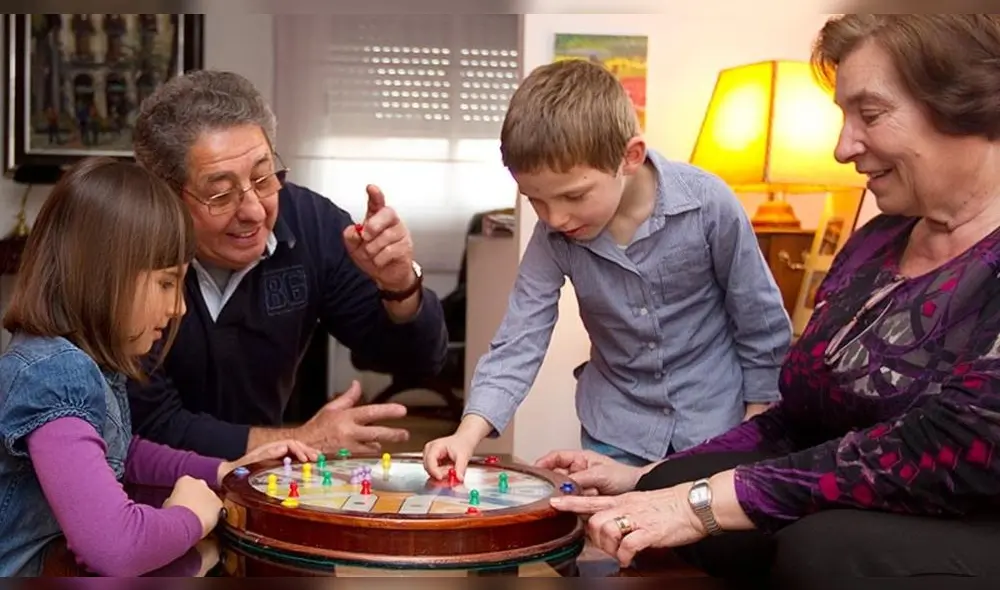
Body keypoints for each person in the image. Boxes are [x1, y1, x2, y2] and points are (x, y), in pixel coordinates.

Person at [538, 14, 1000, 587]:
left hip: (968, 512)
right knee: (672, 490)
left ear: (972, 105)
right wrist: (652, 476)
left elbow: (945, 445)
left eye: (871, 115)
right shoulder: (877, 238)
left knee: (819, 550)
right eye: (843, 117)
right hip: (844, 490)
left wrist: (698, 503)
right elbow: (793, 419)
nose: (842, 147)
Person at [424, 59, 791, 479]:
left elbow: (759, 318)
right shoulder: (552, 236)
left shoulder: (709, 204)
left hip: (715, 424)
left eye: (574, 196)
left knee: (710, 542)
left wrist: (757, 420)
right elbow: (519, 340)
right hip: (616, 432)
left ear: (630, 157)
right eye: (536, 201)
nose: (555, 218)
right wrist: (467, 433)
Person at [0, 157, 318, 577]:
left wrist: (224, 471)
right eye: (167, 282)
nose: (179, 308)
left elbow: (121, 452)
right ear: (104, 275)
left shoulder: (85, 365)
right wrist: (192, 516)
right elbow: (116, 548)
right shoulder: (56, 376)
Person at [126, 70, 450, 460]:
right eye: (221, 194)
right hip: (146, 492)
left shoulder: (310, 223)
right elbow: (145, 424)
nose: (253, 210)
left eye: (263, 178)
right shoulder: (127, 252)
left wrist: (400, 285)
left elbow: (418, 360)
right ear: (165, 196)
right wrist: (301, 441)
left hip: (264, 483)